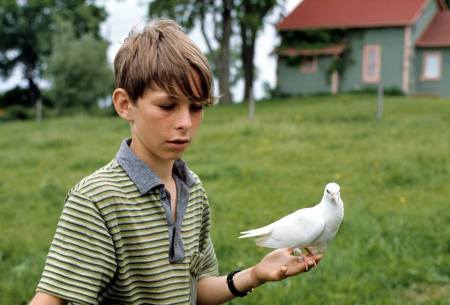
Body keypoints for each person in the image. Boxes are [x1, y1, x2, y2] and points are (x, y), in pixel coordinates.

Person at [29, 19, 321, 305]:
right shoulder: (97, 200)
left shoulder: (193, 191)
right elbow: (51, 298)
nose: (185, 122)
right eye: (168, 106)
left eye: (196, 107)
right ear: (125, 104)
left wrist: (255, 274)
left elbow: (198, 288)